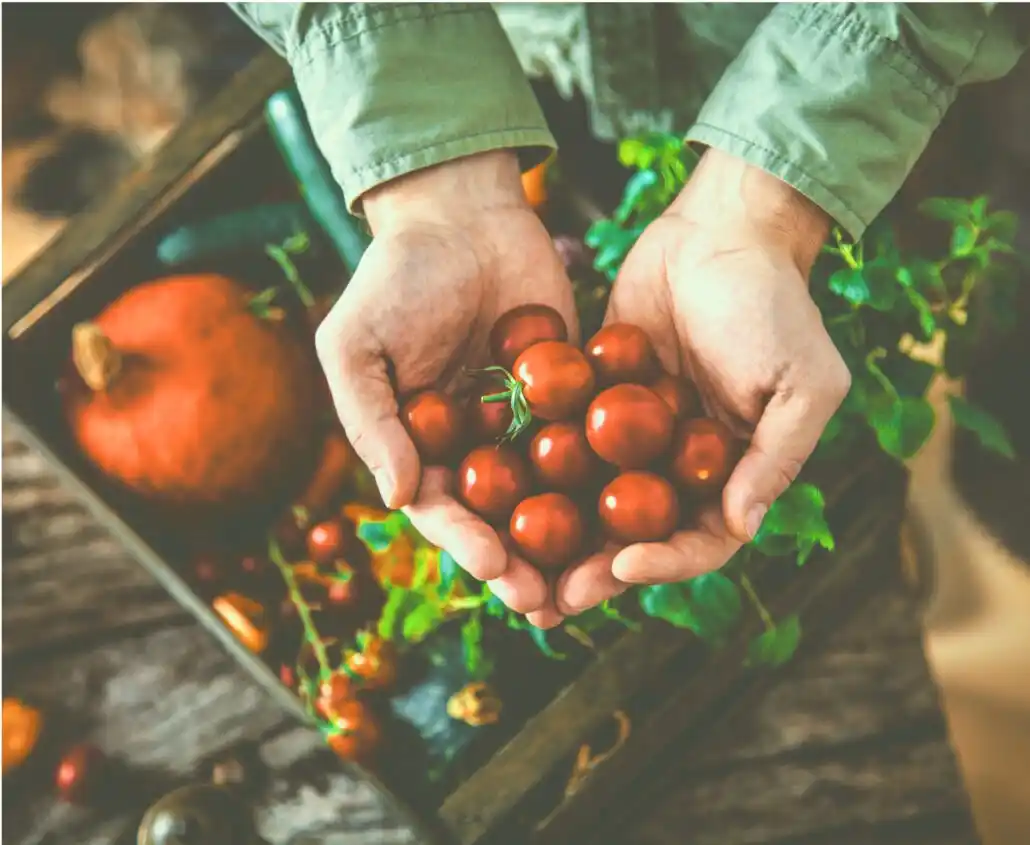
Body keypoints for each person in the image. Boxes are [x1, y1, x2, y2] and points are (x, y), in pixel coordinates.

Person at [228, 3, 1027, 628]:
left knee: (1005, 357)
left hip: (887, 84)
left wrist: (776, 193)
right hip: (524, 60)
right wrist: (427, 166)